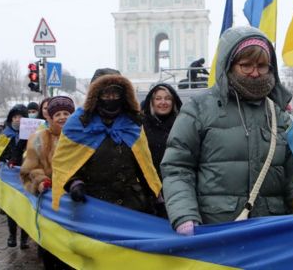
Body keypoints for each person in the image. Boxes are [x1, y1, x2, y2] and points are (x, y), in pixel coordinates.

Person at [162, 26, 293, 235]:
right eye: (246, 65)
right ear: (228, 65)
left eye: (262, 66)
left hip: (271, 233)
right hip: (217, 232)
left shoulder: (280, 115)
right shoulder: (199, 109)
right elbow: (178, 167)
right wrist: (184, 215)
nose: (255, 73)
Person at [51, 71, 161, 215]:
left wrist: (156, 197)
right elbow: (63, 164)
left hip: (132, 206)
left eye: (116, 94)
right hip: (94, 205)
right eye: (105, 94)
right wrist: (74, 183)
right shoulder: (77, 125)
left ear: (123, 96)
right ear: (96, 96)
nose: (111, 98)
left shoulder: (133, 123)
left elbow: (144, 166)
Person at [20, 96, 75, 270]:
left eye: (66, 113)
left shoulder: (82, 137)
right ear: (49, 117)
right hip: (49, 204)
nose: (62, 117)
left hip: (74, 203)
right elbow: (29, 169)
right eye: (57, 114)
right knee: (51, 251)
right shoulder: (39, 138)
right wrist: (41, 182)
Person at [142, 83, 182, 217]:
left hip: (178, 187)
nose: (163, 102)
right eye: (158, 98)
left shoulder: (183, 123)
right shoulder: (140, 125)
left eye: (167, 98)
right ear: (151, 102)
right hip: (149, 190)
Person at [0, 104, 30, 249]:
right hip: (10, 177)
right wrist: (6, 161)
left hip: (26, 175)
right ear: (10, 119)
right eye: (15, 117)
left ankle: (24, 239)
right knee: (12, 208)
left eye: (20, 117)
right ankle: (12, 236)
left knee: (26, 207)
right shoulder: (4, 134)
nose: (17, 120)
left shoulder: (31, 134)